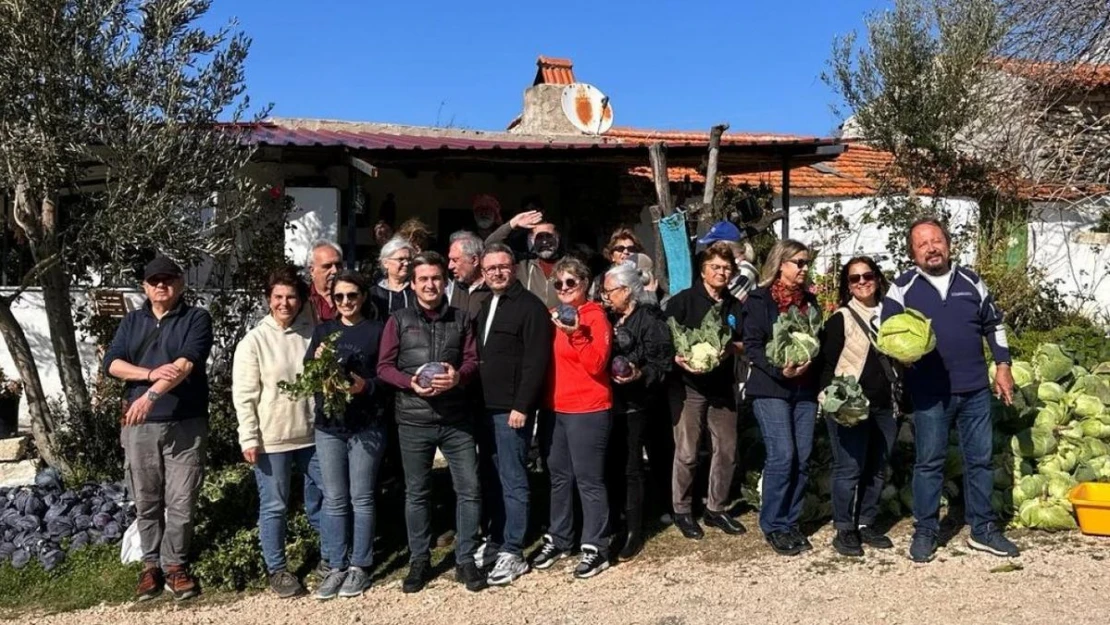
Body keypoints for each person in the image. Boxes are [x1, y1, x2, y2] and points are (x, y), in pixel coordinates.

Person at [883, 217, 1019, 562]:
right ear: (913, 252)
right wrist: (902, 355)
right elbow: (884, 330)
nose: (931, 248)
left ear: (948, 243)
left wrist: (1003, 365)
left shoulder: (972, 282)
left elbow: (994, 323)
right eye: (922, 244)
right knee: (929, 463)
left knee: (980, 462)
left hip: (974, 389)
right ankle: (926, 531)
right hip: (930, 394)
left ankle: (983, 529)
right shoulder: (902, 287)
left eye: (936, 240)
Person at [103, 256, 213, 601]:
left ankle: (175, 566)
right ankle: (150, 565)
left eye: (168, 279)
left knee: (181, 500)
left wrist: (149, 396)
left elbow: (184, 364)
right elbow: (113, 364)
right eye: (154, 281)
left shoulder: (196, 318)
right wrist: (150, 374)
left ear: (179, 283)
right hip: (140, 427)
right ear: (145, 287)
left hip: (185, 423)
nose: (161, 285)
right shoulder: (132, 321)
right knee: (146, 500)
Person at [376, 251, 486, 594]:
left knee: (469, 489)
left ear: (445, 282)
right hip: (413, 420)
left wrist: (459, 377)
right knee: (417, 493)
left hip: (456, 419)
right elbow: (384, 368)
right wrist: (410, 382)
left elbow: (472, 361)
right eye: (423, 279)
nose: (430, 284)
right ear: (413, 284)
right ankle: (419, 560)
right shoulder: (399, 320)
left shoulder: (462, 319)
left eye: (436, 278)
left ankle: (465, 558)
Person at [232, 266, 323, 598]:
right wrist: (249, 437)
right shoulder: (253, 342)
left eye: (291, 297)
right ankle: (278, 570)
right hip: (273, 440)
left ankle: (331, 558)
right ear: (269, 300)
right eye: (278, 297)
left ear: (300, 301)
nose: (285, 303)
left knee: (325, 497)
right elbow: (244, 395)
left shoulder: (311, 334)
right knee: (275, 506)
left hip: (312, 435)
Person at [474, 243, 554, 586]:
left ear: (514, 268)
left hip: (511, 411)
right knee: (490, 477)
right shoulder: (484, 305)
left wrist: (523, 406)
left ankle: (513, 549)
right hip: (483, 407)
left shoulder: (530, 308)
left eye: (503, 266)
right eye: (490, 267)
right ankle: (495, 539)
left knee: (513, 479)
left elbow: (536, 362)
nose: (496, 272)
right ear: (483, 270)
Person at [529, 257, 613, 579]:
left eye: (570, 283)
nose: (564, 288)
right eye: (559, 283)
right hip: (555, 408)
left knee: (589, 480)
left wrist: (577, 334)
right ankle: (560, 537)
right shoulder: (552, 317)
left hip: (588, 409)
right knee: (559, 477)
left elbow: (597, 365)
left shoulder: (594, 316)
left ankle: (596, 545)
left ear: (585, 284)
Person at [306, 271, 386, 600]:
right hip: (330, 425)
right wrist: (316, 359)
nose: (346, 303)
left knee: (362, 497)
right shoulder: (324, 330)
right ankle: (336, 565)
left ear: (363, 296)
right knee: (335, 498)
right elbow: (307, 373)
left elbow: (389, 376)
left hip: (367, 424)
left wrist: (365, 386)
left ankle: (360, 566)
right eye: (339, 298)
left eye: (352, 296)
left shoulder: (378, 331)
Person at [665, 242, 747, 540]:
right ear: (703, 270)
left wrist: (730, 349)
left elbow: (746, 342)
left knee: (726, 449)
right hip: (688, 387)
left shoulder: (735, 306)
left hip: (722, 386)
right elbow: (667, 341)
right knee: (687, 452)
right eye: (715, 267)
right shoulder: (682, 302)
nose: (721, 272)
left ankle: (716, 508)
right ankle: (682, 510)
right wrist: (678, 358)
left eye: (726, 268)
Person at [743, 239, 820, 556]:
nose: (804, 268)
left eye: (806, 263)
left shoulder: (811, 304)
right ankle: (773, 524)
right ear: (780, 264)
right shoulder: (759, 300)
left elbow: (816, 343)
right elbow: (753, 347)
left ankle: (790, 521)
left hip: (804, 390)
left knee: (801, 458)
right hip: (771, 388)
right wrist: (780, 371)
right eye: (798, 262)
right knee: (782, 455)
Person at [817, 257, 897, 557]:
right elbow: (825, 365)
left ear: (877, 278)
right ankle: (844, 528)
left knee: (877, 467)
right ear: (847, 285)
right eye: (854, 278)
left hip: (884, 404)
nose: (862, 282)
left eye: (867, 275)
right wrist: (828, 400)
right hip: (850, 407)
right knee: (848, 468)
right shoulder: (841, 318)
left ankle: (866, 522)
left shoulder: (892, 315)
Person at [600, 261, 674, 561]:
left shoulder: (649, 320)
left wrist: (639, 374)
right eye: (604, 292)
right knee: (612, 463)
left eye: (610, 292)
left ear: (627, 291)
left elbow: (662, 363)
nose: (605, 297)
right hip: (609, 403)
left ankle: (634, 530)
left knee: (632, 468)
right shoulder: (607, 318)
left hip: (636, 404)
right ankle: (616, 520)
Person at [485, 207, 561, 308]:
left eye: (549, 237)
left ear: (558, 237)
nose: (545, 242)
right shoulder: (523, 264)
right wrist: (512, 224)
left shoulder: (570, 265)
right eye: (539, 237)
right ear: (531, 240)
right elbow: (489, 245)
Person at [446, 230, 492, 321]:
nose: (450, 266)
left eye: (455, 260)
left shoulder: (493, 290)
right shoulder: (450, 288)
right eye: (450, 260)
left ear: (474, 260)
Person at [588, 227, 645, 300]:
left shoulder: (643, 277)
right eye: (620, 249)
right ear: (612, 256)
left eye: (631, 249)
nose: (626, 252)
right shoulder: (600, 281)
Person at [370, 236, 415, 318]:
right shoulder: (373, 293)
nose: (406, 263)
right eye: (401, 259)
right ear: (385, 263)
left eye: (409, 259)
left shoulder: (416, 291)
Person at [307, 241, 343, 323]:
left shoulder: (353, 297)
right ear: (312, 271)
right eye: (327, 266)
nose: (335, 271)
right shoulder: (301, 299)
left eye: (338, 265)